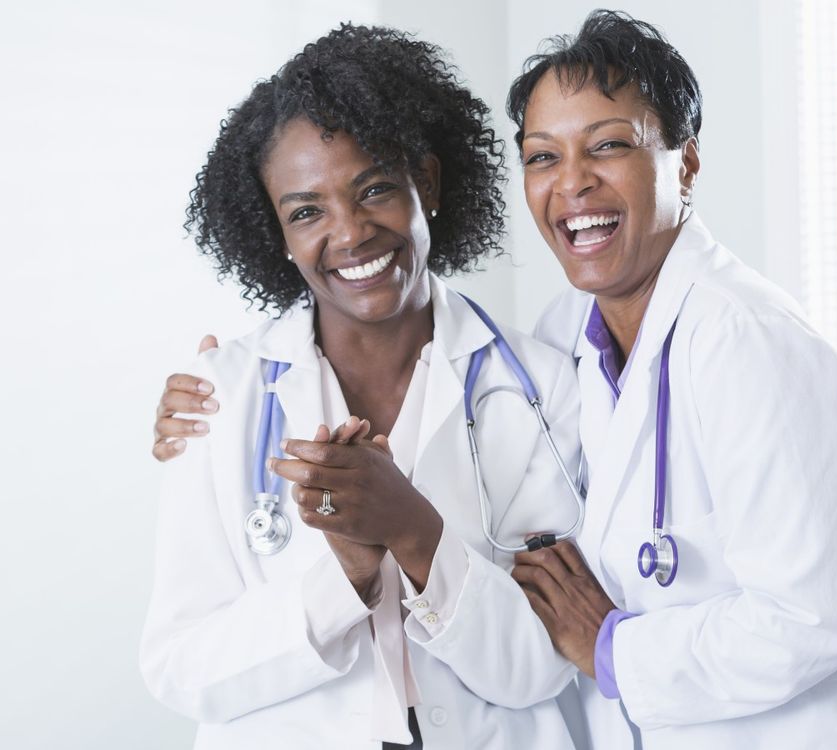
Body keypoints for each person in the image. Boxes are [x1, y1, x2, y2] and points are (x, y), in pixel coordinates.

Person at [506, 10, 837, 750]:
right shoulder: (563, 335)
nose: (572, 183)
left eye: (609, 145)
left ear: (685, 164)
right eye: (543, 157)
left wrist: (610, 647)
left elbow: (821, 615)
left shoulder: (745, 341)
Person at [140, 24, 586, 750]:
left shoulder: (541, 387)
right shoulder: (221, 400)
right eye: (306, 211)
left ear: (428, 184)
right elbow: (181, 670)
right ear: (277, 235)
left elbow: (542, 668)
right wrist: (344, 573)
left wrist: (412, 529)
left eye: (375, 187)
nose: (349, 234)